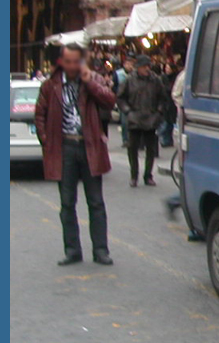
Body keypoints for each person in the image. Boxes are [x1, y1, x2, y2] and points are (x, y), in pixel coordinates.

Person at [34, 44, 117, 266]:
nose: (72, 66)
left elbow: (109, 100)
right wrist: (46, 140)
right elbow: (39, 113)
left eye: (76, 61)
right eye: (68, 61)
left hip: (89, 146)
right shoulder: (50, 85)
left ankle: (100, 250)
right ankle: (72, 250)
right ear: (61, 62)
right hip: (64, 148)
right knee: (67, 203)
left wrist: (89, 81)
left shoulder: (93, 80)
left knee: (96, 202)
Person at [163, 68, 204, 241]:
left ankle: (177, 202)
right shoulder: (188, 74)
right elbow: (176, 95)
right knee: (193, 179)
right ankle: (192, 224)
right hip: (188, 130)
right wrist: (187, 107)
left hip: (200, 130)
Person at [118, 54, 170, 187]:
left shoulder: (155, 80)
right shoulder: (130, 80)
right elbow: (120, 97)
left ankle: (148, 175)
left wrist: (159, 111)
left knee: (151, 149)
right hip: (135, 117)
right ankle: (134, 175)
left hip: (151, 118)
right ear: (138, 67)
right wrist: (128, 111)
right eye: (144, 66)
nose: (147, 69)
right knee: (132, 148)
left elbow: (163, 97)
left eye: (148, 66)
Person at [115, 55, 134, 147]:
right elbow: (115, 86)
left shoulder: (134, 74)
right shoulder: (118, 74)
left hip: (133, 100)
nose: (130, 66)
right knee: (124, 122)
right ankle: (125, 139)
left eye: (131, 64)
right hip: (123, 100)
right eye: (128, 64)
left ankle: (132, 139)